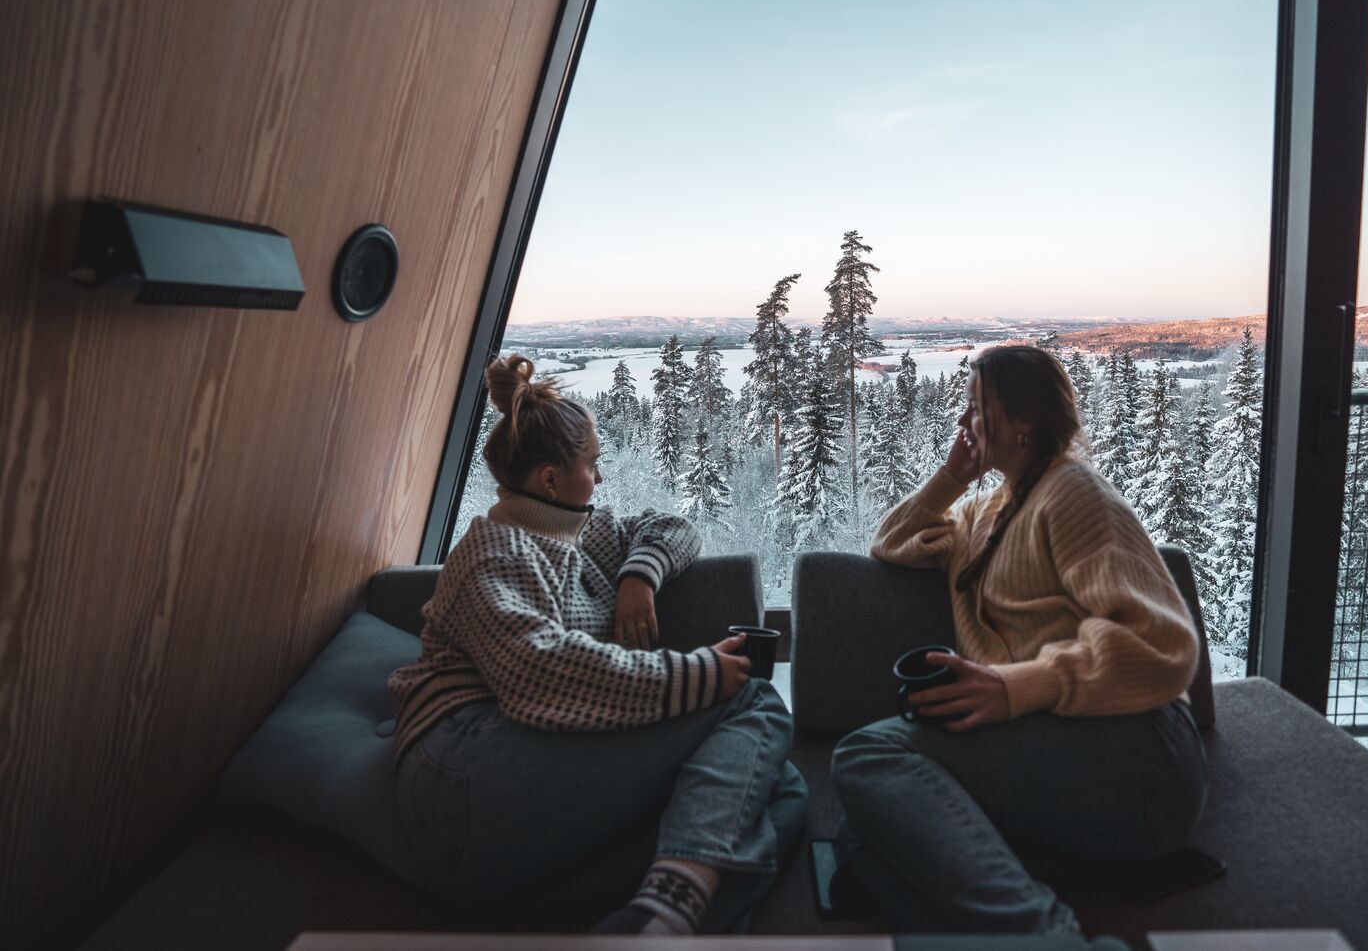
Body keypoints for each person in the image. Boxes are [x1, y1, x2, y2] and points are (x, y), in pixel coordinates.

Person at [389, 355, 804, 934]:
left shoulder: (588, 534)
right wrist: (700, 674)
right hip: (461, 772)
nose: (601, 478)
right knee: (750, 706)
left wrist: (639, 577)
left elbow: (676, 527)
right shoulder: (494, 552)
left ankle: (642, 919)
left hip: (530, 765)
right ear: (550, 479)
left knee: (784, 792)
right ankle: (671, 913)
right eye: (592, 464)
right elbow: (538, 674)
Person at [831, 344, 1205, 937]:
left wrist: (1015, 688)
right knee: (867, 835)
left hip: (1142, 754)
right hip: (1056, 748)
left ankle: (1051, 941)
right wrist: (953, 476)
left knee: (867, 756)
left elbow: (1160, 644)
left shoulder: (1073, 494)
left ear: (1025, 421)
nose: (963, 423)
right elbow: (891, 541)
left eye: (977, 408)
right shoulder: (988, 511)